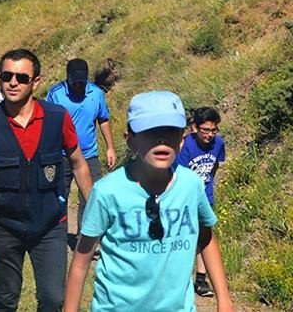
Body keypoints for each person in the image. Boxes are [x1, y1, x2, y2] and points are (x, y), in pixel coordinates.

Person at [64, 92, 232, 311]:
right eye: (150, 132)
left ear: (182, 139)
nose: (161, 139)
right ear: (130, 140)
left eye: (170, 131)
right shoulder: (107, 192)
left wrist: (225, 300)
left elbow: (206, 238)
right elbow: (80, 262)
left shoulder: (191, 185)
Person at [0, 48, 93, 312]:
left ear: (36, 82)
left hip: (50, 224)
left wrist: (95, 209)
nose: (13, 82)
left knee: (53, 299)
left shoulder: (58, 117)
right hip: (3, 225)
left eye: (22, 78)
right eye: (7, 76)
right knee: (5, 299)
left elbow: (79, 164)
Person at [45, 58, 116, 234]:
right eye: (74, 82)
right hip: (62, 154)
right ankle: (57, 235)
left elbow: (103, 120)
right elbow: (46, 123)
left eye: (82, 82)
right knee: (60, 195)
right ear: (67, 78)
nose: (78, 85)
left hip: (89, 154)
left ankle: (86, 237)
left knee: (91, 197)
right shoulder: (56, 94)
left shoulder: (96, 93)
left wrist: (110, 147)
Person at [176, 106, 227, 299]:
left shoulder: (218, 143)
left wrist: (207, 187)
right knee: (182, 237)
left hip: (205, 196)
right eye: (205, 130)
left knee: (204, 237)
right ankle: (179, 278)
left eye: (214, 130)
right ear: (195, 128)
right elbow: (179, 175)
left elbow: (214, 166)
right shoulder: (186, 146)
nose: (210, 135)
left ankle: (201, 279)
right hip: (183, 197)